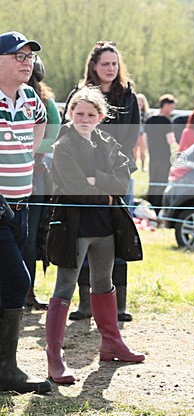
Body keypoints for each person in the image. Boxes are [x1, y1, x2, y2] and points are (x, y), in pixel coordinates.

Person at [45, 87, 144, 384]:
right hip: (73, 226)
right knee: (65, 286)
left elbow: (123, 178)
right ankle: (54, 356)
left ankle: (111, 343)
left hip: (104, 228)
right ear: (70, 113)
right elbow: (75, 187)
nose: (84, 119)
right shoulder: (62, 145)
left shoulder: (107, 141)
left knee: (104, 283)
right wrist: (106, 190)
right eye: (79, 113)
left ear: (100, 117)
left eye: (90, 114)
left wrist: (97, 180)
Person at [65, 41, 140, 322]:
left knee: (119, 233)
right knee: (84, 234)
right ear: (94, 67)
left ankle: (118, 305)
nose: (110, 68)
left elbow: (131, 134)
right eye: (105, 64)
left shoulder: (128, 95)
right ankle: (85, 304)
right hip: (84, 176)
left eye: (114, 64)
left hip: (119, 174)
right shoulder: (81, 95)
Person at [0, 31, 51, 395]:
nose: (26, 61)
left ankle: (6, 371)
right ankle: (8, 372)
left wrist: (27, 154)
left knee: (14, 283)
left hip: (23, 205)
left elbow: (40, 123)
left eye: (29, 56)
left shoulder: (31, 97)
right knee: (17, 282)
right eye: (18, 55)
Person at [22, 56, 61, 311]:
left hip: (34, 174)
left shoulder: (44, 103)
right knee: (30, 234)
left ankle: (26, 292)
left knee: (29, 234)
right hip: (32, 174)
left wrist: (23, 150)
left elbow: (53, 134)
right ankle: (26, 292)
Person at [144, 94, 176, 216]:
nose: (172, 110)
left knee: (152, 182)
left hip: (153, 156)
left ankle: (148, 208)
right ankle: (158, 210)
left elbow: (145, 139)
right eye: (171, 107)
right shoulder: (166, 121)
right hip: (164, 157)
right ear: (166, 105)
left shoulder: (149, 120)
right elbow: (170, 140)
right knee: (162, 183)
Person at [133, 93, 150, 172]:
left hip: (142, 134)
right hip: (135, 134)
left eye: (141, 101)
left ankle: (143, 166)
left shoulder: (146, 114)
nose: (139, 103)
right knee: (134, 151)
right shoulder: (133, 113)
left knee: (143, 151)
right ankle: (134, 165)